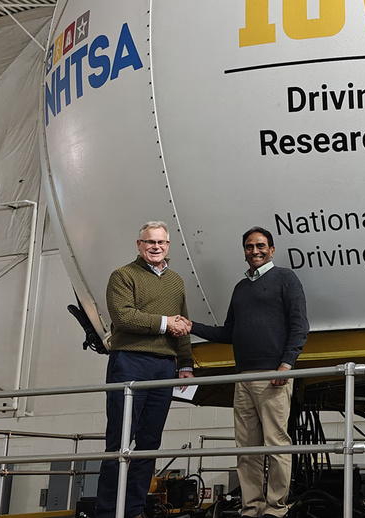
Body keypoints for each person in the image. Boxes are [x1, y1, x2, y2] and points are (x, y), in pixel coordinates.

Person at [177, 227, 309, 518]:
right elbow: (229, 332)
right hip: (242, 378)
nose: (255, 251)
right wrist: (192, 326)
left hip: (273, 376)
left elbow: (300, 325)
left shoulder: (286, 279)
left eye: (261, 246)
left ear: (272, 250)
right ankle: (252, 507)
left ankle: (276, 508)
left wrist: (286, 365)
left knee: (276, 444)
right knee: (246, 448)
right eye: (249, 246)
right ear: (244, 252)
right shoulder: (240, 288)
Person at [96, 221, 194, 518]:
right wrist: (165, 323)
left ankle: (134, 509)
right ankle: (108, 511)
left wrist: (185, 363)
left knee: (150, 441)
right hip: (130, 361)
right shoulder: (123, 276)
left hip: (164, 366)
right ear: (139, 245)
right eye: (150, 242)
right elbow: (124, 318)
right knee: (120, 439)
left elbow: (182, 322)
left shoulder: (176, 281)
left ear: (168, 246)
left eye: (161, 242)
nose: (156, 247)